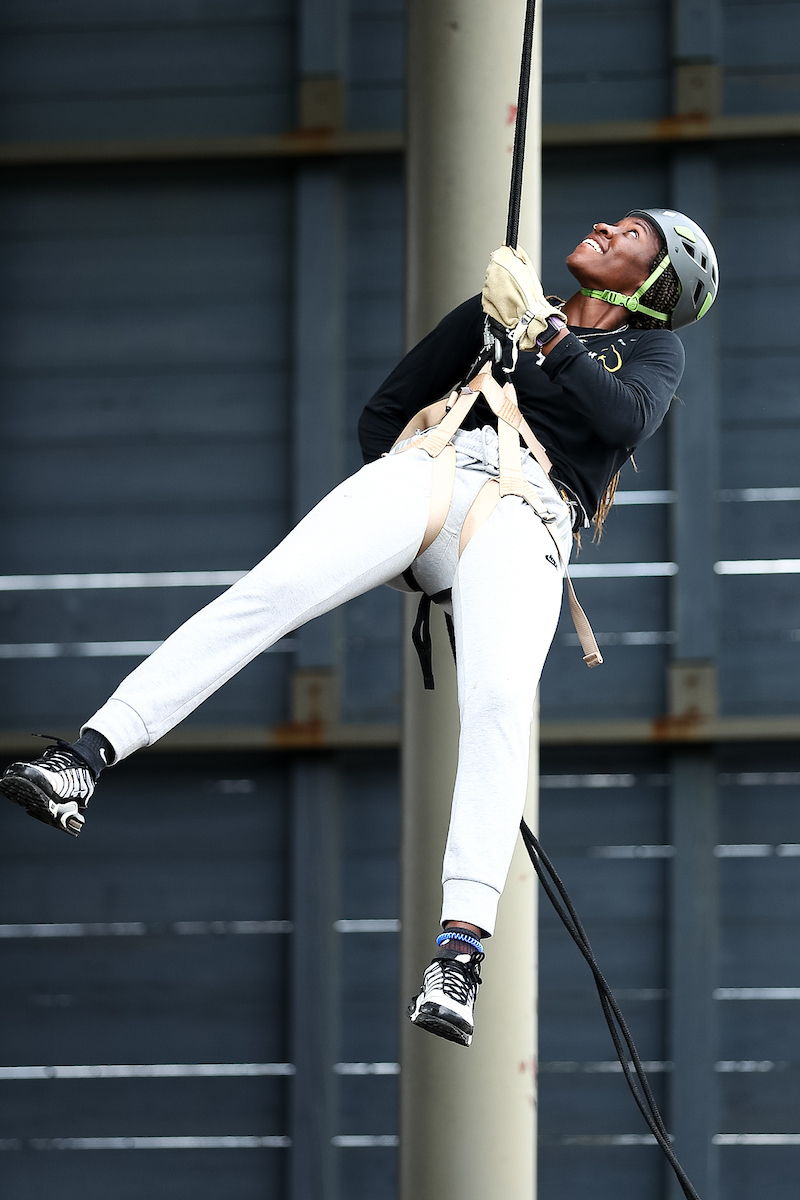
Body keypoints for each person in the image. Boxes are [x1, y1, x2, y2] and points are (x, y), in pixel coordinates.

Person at [0, 208, 717, 1047]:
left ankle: (459, 953)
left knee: (497, 706)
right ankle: (86, 758)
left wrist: (546, 331)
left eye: (631, 234)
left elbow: (625, 419)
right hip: (433, 470)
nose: (605, 226)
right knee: (273, 591)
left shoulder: (648, 350)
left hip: (527, 514)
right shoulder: (501, 308)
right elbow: (387, 411)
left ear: (654, 285)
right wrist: (402, 528)